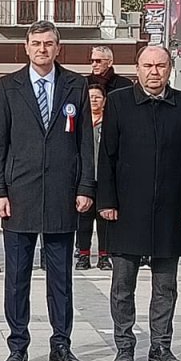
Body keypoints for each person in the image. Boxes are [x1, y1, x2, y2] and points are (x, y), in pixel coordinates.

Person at [0, 21, 95, 361]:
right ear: (26, 47)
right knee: (17, 277)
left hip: (62, 196)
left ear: (58, 47)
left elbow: (84, 142)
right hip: (19, 195)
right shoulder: (8, 87)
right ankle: (18, 344)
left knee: (60, 277)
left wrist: (85, 187)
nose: (42, 49)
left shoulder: (75, 85)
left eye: (48, 43)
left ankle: (61, 344)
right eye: (36, 43)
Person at [97, 47, 181, 361]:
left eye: (160, 65)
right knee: (122, 285)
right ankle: (125, 347)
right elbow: (107, 156)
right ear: (137, 69)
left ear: (170, 68)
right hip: (127, 210)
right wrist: (107, 200)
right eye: (148, 66)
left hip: (170, 210)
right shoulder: (119, 102)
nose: (154, 72)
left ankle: (161, 346)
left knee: (165, 286)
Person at [74, 84, 109, 271]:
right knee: (84, 221)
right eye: (90, 97)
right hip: (84, 181)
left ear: (104, 101)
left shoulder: (110, 123)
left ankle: (104, 256)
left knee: (104, 220)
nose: (93, 100)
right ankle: (83, 255)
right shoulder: (79, 122)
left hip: (104, 181)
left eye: (97, 97)